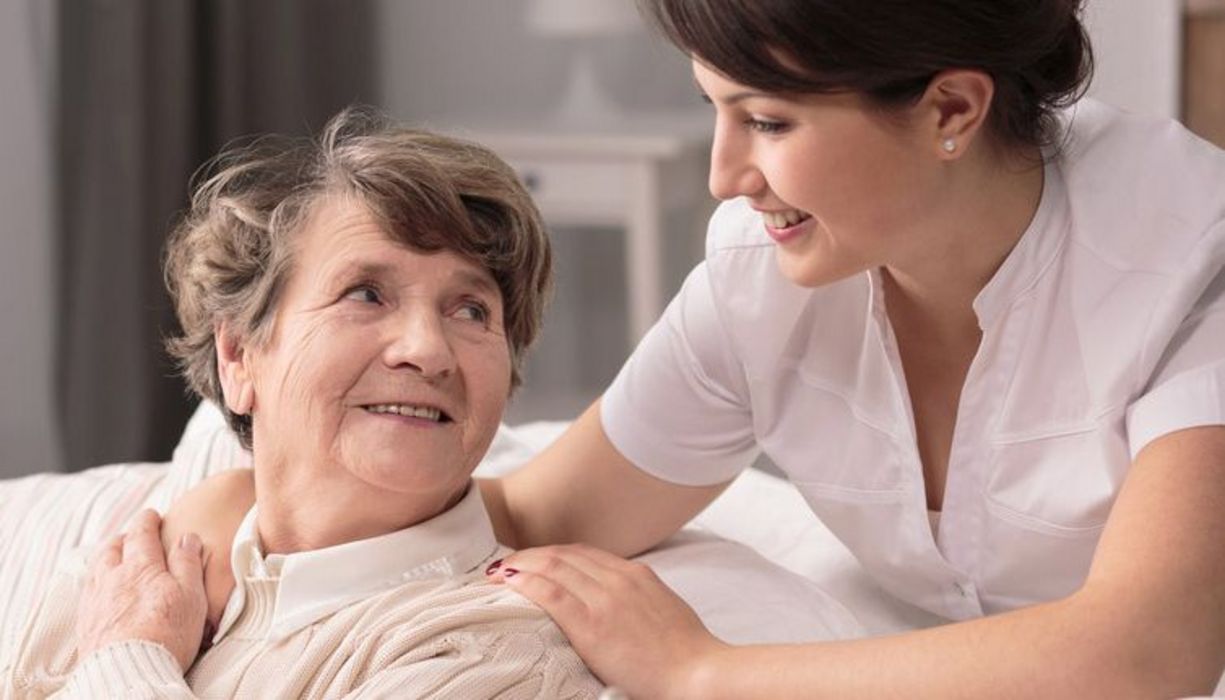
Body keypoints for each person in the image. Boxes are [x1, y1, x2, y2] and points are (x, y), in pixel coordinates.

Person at [472, 0, 1225, 697]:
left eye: (767, 122)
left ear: (950, 110)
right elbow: (540, 512)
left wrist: (698, 670)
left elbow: (1155, 644)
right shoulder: (759, 276)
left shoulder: (1189, 262)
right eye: (716, 111)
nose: (724, 177)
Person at [1, 109, 602, 698]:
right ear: (238, 355)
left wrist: (125, 660)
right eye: (366, 294)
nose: (428, 350)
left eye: (471, 310)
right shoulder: (135, 572)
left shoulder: (492, 658)